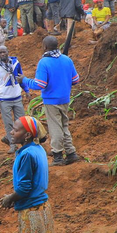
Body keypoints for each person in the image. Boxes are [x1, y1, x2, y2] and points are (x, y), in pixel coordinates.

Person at [20, 36, 80, 166]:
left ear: (45, 47)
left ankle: (57, 156)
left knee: (55, 127)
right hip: (65, 99)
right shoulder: (67, 59)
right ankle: (71, 153)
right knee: (64, 125)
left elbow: (40, 84)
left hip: (52, 100)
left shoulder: (44, 62)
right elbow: (75, 80)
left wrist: (25, 80)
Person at [0, 46, 27, 153]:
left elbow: (21, 77)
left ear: (8, 52)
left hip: (17, 97)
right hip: (4, 99)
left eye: (4, 52)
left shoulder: (15, 63)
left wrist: (27, 90)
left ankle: (22, 142)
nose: (2, 54)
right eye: (0, 52)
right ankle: (12, 145)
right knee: (8, 123)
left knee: (21, 122)